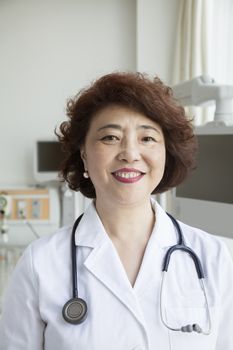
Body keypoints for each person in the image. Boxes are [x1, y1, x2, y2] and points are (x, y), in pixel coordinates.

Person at [0, 72, 233, 350]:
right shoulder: (40, 263)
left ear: (166, 154)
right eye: (110, 137)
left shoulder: (214, 258)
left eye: (147, 138)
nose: (130, 153)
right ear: (84, 154)